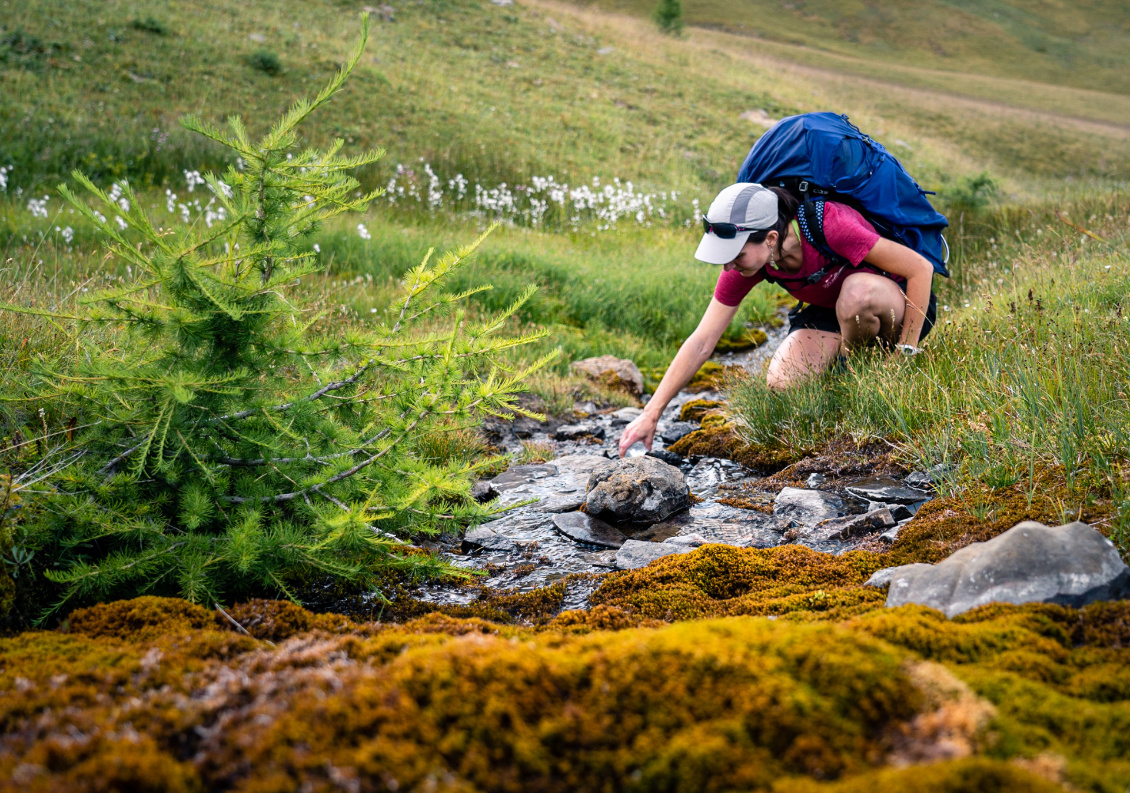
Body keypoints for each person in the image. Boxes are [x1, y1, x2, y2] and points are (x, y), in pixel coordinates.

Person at [617, 182, 936, 457]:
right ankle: (839, 387)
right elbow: (702, 340)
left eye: (737, 255)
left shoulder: (830, 224)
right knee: (783, 384)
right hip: (828, 310)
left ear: (770, 239)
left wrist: (905, 354)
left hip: (895, 302)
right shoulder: (749, 265)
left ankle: (862, 379)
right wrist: (651, 412)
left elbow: (920, 270)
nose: (728, 267)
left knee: (857, 295)